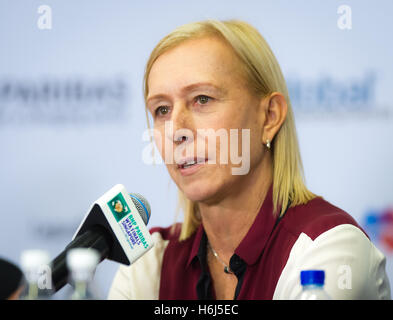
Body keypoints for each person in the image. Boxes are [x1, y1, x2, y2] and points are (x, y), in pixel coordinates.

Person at [108, 19, 391, 300]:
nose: (176, 129)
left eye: (202, 99)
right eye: (162, 109)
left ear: (269, 116)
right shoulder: (147, 266)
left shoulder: (329, 249)